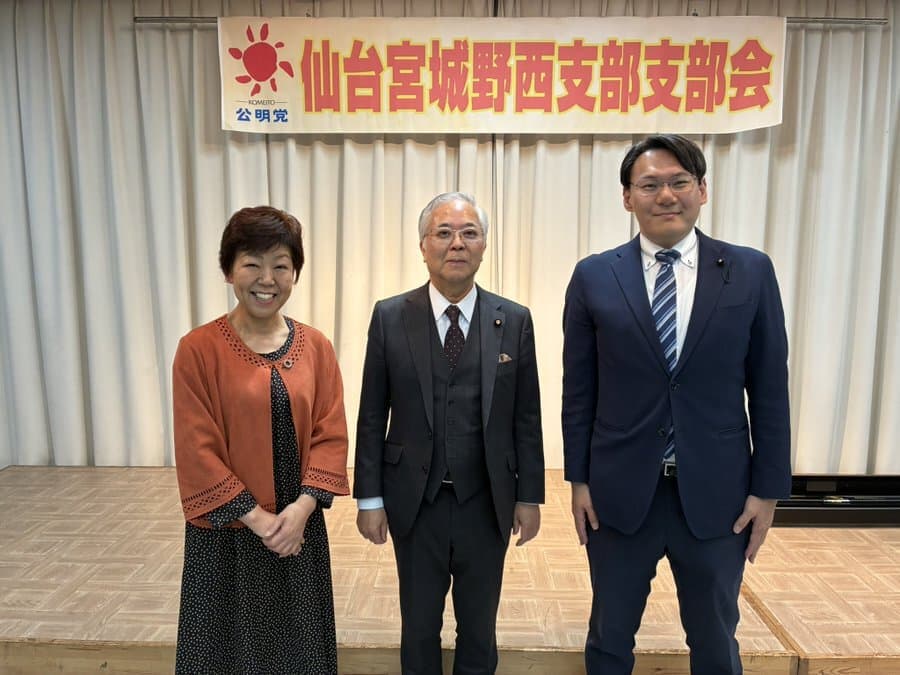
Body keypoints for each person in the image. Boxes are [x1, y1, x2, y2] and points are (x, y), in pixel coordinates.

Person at [562, 135, 791, 674]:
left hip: (719, 497)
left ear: (702, 190)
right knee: (609, 639)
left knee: (715, 642)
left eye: (679, 182)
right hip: (619, 495)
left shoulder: (750, 271)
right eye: (649, 185)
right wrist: (579, 480)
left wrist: (767, 490)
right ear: (627, 197)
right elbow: (579, 391)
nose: (666, 195)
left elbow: (769, 389)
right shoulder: (594, 276)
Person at [353, 192, 545, 674]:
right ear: (423, 245)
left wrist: (529, 497)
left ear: (484, 246)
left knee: (479, 629)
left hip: (487, 501)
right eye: (443, 233)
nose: (456, 243)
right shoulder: (390, 316)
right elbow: (372, 413)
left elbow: (526, 417)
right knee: (419, 627)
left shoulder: (513, 319)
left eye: (469, 233)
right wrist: (369, 499)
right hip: (415, 503)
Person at [172, 206, 350, 674]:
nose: (267, 279)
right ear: (229, 270)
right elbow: (196, 447)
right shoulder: (197, 349)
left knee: (299, 652)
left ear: (295, 273)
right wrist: (260, 521)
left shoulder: (316, 347)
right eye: (252, 263)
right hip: (228, 537)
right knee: (225, 653)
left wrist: (300, 512)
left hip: (297, 531)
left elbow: (330, 433)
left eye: (281, 265)